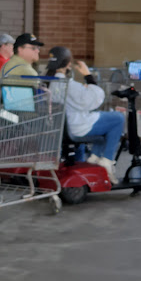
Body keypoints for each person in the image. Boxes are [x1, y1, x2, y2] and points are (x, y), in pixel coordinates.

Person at [46, 46, 125, 184]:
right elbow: (94, 99)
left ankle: (94, 157)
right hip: (76, 126)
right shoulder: (68, 84)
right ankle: (107, 160)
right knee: (118, 118)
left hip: (63, 126)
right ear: (67, 64)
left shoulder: (49, 82)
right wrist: (88, 75)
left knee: (103, 126)